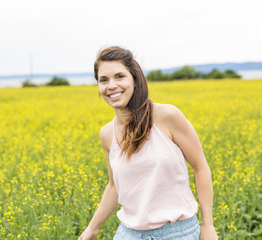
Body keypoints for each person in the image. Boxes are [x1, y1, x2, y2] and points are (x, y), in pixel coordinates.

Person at [78, 46, 218, 240]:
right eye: (104, 80)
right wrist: (92, 228)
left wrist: (208, 226)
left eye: (120, 76)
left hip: (178, 234)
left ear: (134, 79)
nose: (111, 85)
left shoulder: (167, 116)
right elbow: (114, 187)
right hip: (128, 234)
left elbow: (201, 167)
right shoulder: (106, 134)